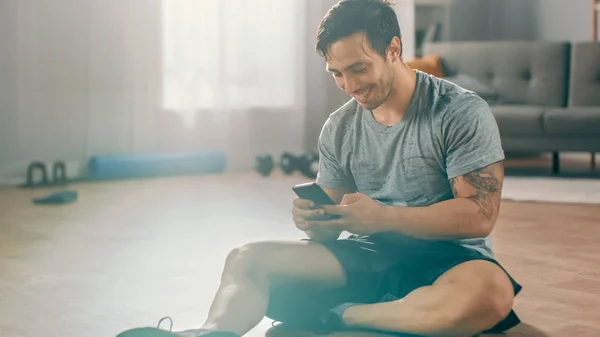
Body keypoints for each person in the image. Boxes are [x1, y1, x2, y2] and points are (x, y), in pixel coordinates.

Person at [117, 0, 522, 336]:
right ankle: (210, 333)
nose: (349, 85)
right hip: (370, 255)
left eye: (359, 69)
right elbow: (327, 225)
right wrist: (316, 219)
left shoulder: (460, 111)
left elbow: (479, 216)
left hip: (451, 262)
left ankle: (340, 315)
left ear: (394, 49)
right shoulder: (340, 126)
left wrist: (383, 217)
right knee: (246, 258)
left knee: (489, 295)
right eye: (336, 74)